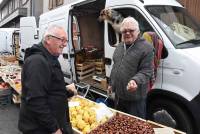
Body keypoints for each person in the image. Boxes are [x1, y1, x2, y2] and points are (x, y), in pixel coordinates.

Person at [18, 25, 77, 134]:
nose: (65, 44)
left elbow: (50, 89)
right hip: (39, 129)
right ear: (48, 39)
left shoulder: (50, 57)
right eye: (62, 40)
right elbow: (36, 100)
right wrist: (54, 128)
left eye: (66, 41)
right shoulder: (37, 62)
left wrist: (66, 92)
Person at [108, 17, 154, 119]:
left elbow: (147, 70)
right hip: (119, 97)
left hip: (135, 100)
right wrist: (111, 84)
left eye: (131, 30)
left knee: (135, 126)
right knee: (119, 123)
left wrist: (135, 80)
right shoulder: (119, 47)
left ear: (138, 31)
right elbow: (115, 67)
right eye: (124, 31)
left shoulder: (146, 48)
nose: (127, 33)